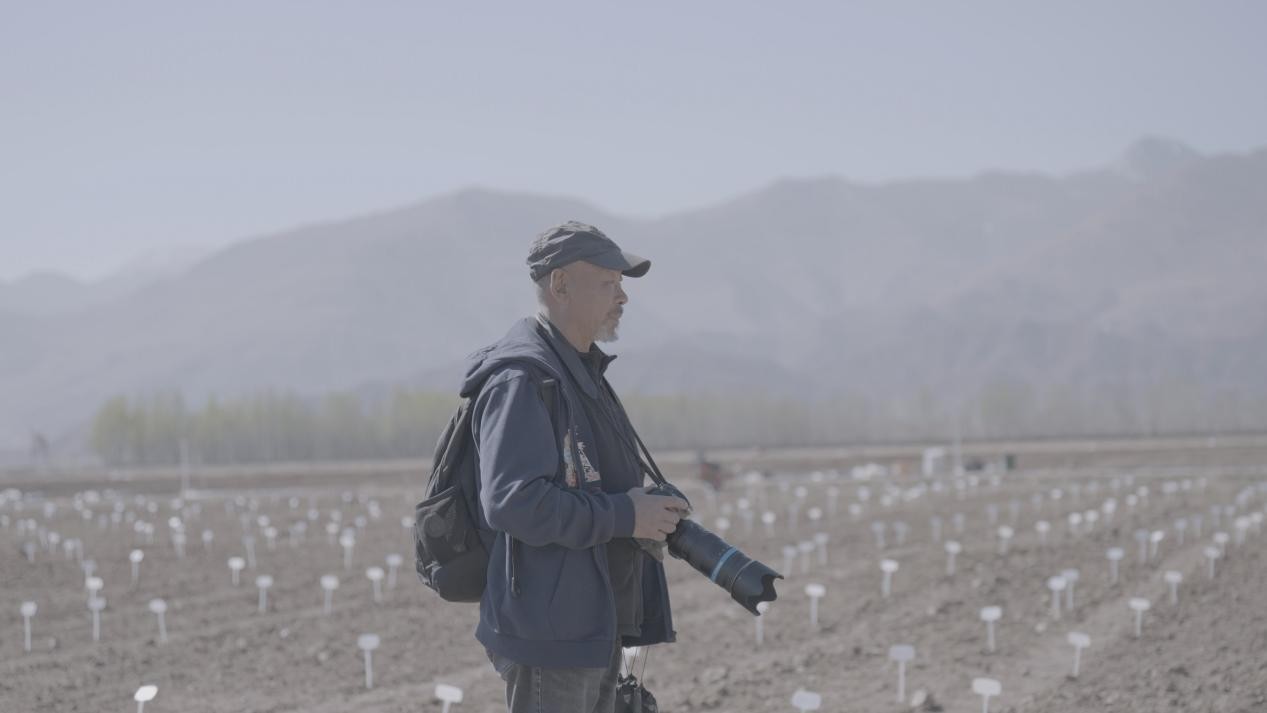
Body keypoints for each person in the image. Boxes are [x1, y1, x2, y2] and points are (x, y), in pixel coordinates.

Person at [463, 220, 690, 713]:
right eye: (609, 282)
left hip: (590, 621)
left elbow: (591, 480)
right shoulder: (523, 379)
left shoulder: (579, 371)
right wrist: (625, 516)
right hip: (552, 634)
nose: (623, 297)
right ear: (560, 285)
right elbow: (513, 502)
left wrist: (649, 507)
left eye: (622, 284)